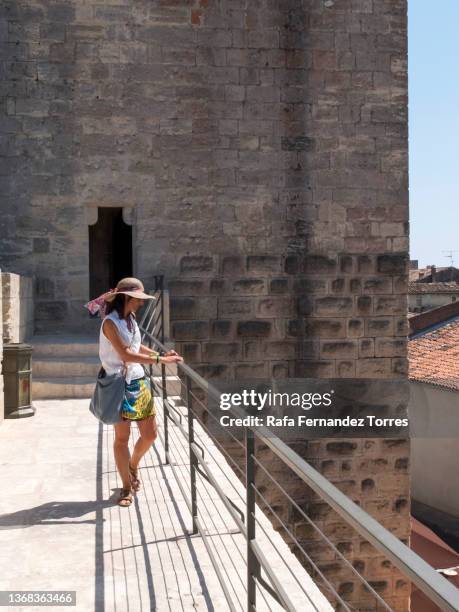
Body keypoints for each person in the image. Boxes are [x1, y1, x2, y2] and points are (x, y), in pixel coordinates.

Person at [87, 277, 183, 507]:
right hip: (118, 384)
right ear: (128, 298)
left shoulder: (130, 319)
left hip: (138, 382)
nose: (141, 304)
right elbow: (126, 355)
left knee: (150, 434)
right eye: (138, 299)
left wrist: (160, 353)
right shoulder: (109, 324)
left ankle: (133, 464)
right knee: (122, 438)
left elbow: (136, 346)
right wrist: (160, 360)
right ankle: (126, 487)